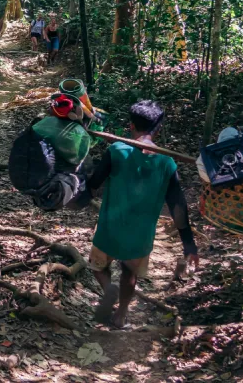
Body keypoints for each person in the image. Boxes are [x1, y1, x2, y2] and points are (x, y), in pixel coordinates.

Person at [86, 100, 199, 328]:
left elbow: (94, 184)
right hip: (140, 235)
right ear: (158, 129)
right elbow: (178, 206)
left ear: (130, 126)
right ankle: (121, 315)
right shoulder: (167, 163)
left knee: (99, 266)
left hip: (110, 227)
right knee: (130, 272)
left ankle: (109, 290)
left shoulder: (116, 151)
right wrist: (189, 244)